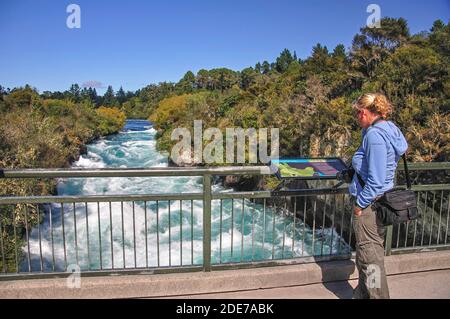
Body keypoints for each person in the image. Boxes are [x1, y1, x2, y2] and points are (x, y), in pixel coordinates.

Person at [349, 93, 408, 299]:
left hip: (370, 205)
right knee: (369, 255)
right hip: (382, 201)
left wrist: (359, 205)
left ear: (364, 112)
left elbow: (375, 178)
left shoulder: (374, 135)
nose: (357, 118)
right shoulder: (390, 128)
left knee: (370, 260)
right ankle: (362, 295)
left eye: (357, 114)